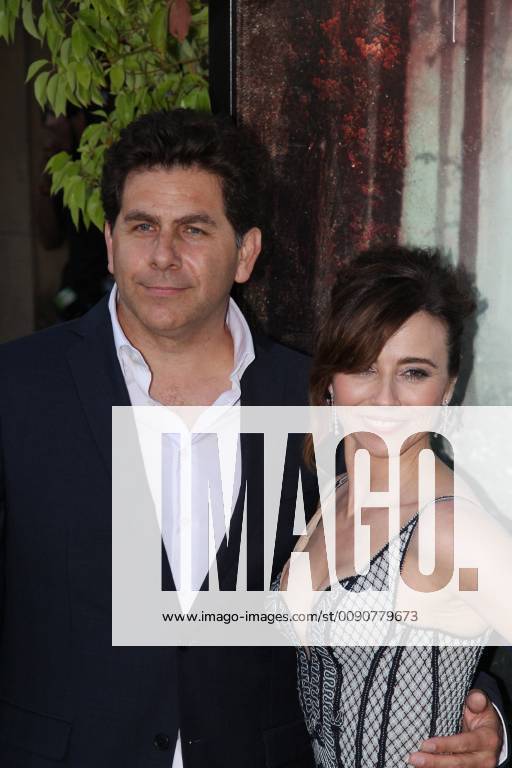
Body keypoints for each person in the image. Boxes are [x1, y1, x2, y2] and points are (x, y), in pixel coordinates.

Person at [0, 111, 504, 767]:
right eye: (142, 226)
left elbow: (434, 599)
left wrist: (488, 715)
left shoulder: (322, 404)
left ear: (245, 253)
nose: (162, 254)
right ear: (110, 241)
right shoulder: (18, 389)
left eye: (194, 229)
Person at [273, 246, 510, 767]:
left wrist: (501, 741)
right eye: (363, 366)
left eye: (413, 372)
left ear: (448, 387)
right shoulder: (333, 496)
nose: (384, 398)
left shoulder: (451, 528)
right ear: (330, 380)